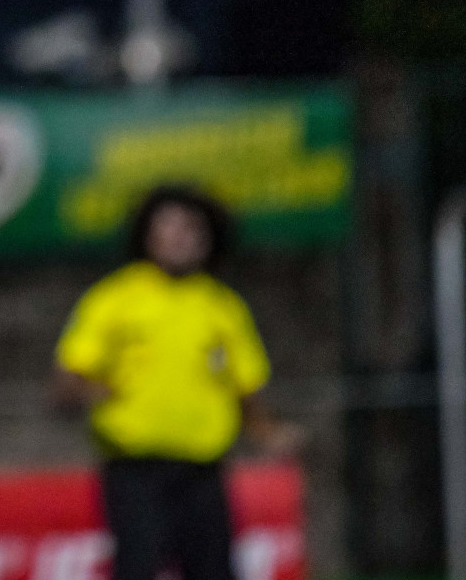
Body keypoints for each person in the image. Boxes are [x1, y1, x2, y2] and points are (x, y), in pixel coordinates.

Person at [52, 185, 304, 580]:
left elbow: (246, 386)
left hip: (203, 471)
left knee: (214, 569)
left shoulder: (222, 307)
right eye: (168, 227)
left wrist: (268, 430)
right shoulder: (115, 298)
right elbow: (70, 375)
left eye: (190, 227)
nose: (180, 237)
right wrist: (82, 391)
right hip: (134, 469)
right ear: (147, 236)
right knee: (137, 567)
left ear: (208, 238)